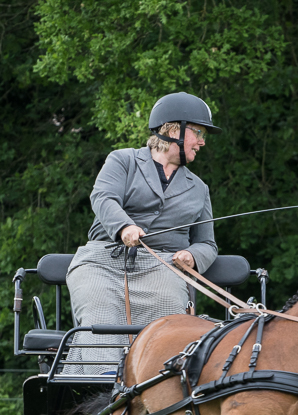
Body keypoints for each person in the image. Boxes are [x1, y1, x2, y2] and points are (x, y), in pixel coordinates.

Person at [64, 92, 222, 374]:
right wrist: (124, 227)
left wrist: (192, 255)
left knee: (169, 317)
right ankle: (95, 386)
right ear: (174, 130)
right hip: (103, 263)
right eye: (198, 133)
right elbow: (103, 197)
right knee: (101, 316)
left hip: (162, 268)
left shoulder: (199, 188)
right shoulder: (123, 160)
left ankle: (163, 388)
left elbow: (207, 243)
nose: (202, 141)